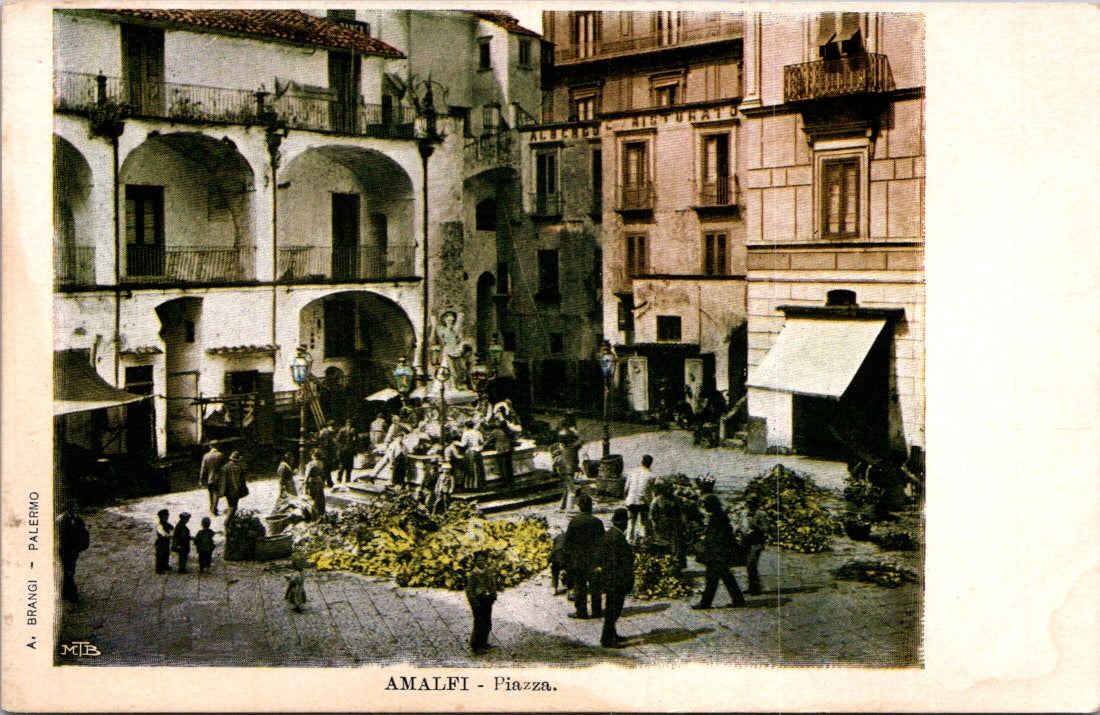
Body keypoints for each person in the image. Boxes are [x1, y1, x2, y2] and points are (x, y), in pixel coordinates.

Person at [692, 494, 747, 609]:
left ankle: (706, 603)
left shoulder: (716, 518)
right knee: (724, 577)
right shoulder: (720, 516)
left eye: (705, 504)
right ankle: (738, 600)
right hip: (720, 553)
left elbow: (715, 537)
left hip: (717, 553)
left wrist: (704, 543)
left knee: (714, 579)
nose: (704, 506)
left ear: (710, 505)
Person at [595, 508, 635, 648]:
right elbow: (622, 561)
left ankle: (611, 634)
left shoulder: (610, 534)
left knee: (613, 609)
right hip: (616, 580)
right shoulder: (616, 538)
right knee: (613, 610)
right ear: (622, 522)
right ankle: (607, 639)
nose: (626, 524)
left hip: (611, 579)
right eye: (626, 521)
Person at [564, 492, 604, 619]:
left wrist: (568, 561)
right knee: (595, 586)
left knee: (580, 586)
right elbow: (602, 542)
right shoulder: (597, 522)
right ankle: (596, 611)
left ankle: (581, 612)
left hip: (578, 559)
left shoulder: (574, 522)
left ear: (579, 506)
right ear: (590, 506)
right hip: (593, 559)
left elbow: (568, 543)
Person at [465, 549, 499, 654]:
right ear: (475, 561)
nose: (481, 562)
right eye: (479, 560)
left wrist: (493, 595)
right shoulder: (473, 574)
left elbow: (492, 584)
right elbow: (470, 591)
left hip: (487, 600)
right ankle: (476, 645)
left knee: (487, 623)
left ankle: (484, 642)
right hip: (478, 601)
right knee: (479, 623)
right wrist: (474, 603)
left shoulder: (487, 571)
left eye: (483, 560)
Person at [56, 500, 89, 602]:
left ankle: (64, 591)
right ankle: (72, 594)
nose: (75, 509)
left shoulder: (76, 518)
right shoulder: (61, 520)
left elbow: (82, 531)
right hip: (65, 549)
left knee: (69, 570)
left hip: (73, 549)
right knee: (68, 571)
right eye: (73, 508)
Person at [649, 481, 686, 569]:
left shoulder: (675, 499)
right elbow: (651, 514)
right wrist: (654, 525)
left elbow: (680, 513)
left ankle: (674, 566)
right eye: (667, 489)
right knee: (661, 545)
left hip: (674, 526)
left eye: (670, 490)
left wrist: (682, 524)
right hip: (661, 526)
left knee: (675, 547)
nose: (669, 491)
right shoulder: (657, 500)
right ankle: (661, 565)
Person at [623, 454, 656, 543]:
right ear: (650, 464)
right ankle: (643, 542)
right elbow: (653, 492)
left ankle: (629, 541)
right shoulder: (652, 475)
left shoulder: (632, 472)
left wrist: (627, 498)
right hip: (643, 502)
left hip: (631, 501)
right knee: (643, 523)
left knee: (631, 522)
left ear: (641, 462)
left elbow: (626, 488)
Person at [744, 498, 768, 596]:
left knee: (752, 565)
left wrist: (755, 526)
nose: (749, 505)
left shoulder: (761, 514)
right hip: (748, 542)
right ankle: (752, 587)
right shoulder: (747, 513)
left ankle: (756, 588)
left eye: (750, 503)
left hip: (757, 542)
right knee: (749, 565)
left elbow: (766, 528)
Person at [218, 451, 249, 521]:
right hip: (235, 491)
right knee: (233, 507)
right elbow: (240, 481)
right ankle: (227, 522)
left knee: (230, 506)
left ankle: (231, 522)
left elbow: (222, 481)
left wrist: (221, 492)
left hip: (227, 491)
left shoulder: (224, 468)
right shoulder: (238, 468)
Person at [484, 418, 515, 486]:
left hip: (502, 450)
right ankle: (511, 481)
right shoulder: (508, 430)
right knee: (509, 466)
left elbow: (488, 441)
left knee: (503, 466)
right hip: (509, 449)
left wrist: (482, 446)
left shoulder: (496, 431)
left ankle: (505, 482)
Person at [198, 443, 226, 516]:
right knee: (216, 494)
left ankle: (212, 508)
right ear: (218, 446)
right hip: (218, 478)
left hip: (209, 478)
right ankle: (214, 509)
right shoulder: (221, 455)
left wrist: (201, 479)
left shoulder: (206, 456)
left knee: (210, 494)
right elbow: (225, 468)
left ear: (210, 446)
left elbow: (203, 468)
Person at [459, 420, 486, 491]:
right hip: (477, 451)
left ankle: (470, 486)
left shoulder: (466, 433)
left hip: (470, 451)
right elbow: (482, 442)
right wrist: (480, 448)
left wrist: (456, 443)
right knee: (478, 468)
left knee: (469, 468)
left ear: (466, 426)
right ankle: (479, 485)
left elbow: (463, 444)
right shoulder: (478, 432)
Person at [303, 449, 327, 518]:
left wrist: (305, 485)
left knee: (312, 498)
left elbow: (306, 476)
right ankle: (321, 513)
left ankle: (313, 514)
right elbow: (323, 474)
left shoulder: (311, 464)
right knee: (319, 498)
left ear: (313, 455)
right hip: (319, 482)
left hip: (312, 482)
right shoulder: (321, 463)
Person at [335, 419, 358, 484]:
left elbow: (356, 441)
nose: (349, 426)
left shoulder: (354, 431)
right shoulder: (342, 430)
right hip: (344, 451)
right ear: (346, 424)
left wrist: (355, 450)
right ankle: (339, 479)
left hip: (350, 451)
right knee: (342, 466)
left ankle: (347, 479)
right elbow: (338, 440)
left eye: (350, 424)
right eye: (348, 424)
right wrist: (341, 449)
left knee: (349, 466)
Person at [549, 526, 569, 596]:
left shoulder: (557, 538)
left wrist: (549, 560)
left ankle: (553, 588)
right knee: (571, 571)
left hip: (557, 558)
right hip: (567, 558)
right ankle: (571, 589)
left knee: (554, 571)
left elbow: (553, 551)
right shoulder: (573, 537)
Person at [318, 421, 337, 487]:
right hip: (326, 454)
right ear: (330, 426)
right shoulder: (327, 433)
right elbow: (326, 444)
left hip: (323, 453)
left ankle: (324, 482)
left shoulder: (323, 432)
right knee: (327, 469)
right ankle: (328, 483)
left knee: (325, 469)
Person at [154, 509, 173, 574]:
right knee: (160, 555)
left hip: (166, 542)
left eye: (167, 516)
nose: (167, 517)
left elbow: (172, 528)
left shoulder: (166, 524)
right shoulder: (159, 525)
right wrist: (169, 535)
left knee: (166, 554)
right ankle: (159, 570)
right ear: (161, 517)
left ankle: (165, 565)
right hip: (160, 542)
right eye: (165, 516)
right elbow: (162, 532)